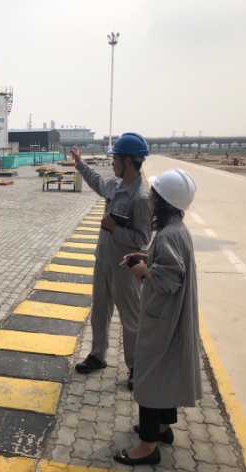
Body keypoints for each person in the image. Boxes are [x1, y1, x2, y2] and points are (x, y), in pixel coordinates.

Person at [114, 168, 201, 466]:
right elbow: (170, 265)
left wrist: (144, 271)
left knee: (149, 376)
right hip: (171, 317)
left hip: (162, 317)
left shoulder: (167, 236)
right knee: (164, 371)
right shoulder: (176, 230)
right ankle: (162, 427)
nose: (149, 198)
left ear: (162, 201)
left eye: (154, 194)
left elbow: (168, 280)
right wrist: (146, 258)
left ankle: (147, 446)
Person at [70, 133, 152, 390]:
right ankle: (98, 355)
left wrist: (115, 229)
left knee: (131, 320)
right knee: (99, 312)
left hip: (126, 268)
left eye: (115, 158)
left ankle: (136, 367)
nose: (112, 162)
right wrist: (80, 163)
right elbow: (97, 182)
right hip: (104, 260)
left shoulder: (140, 198)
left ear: (128, 161)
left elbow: (143, 239)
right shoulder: (117, 185)